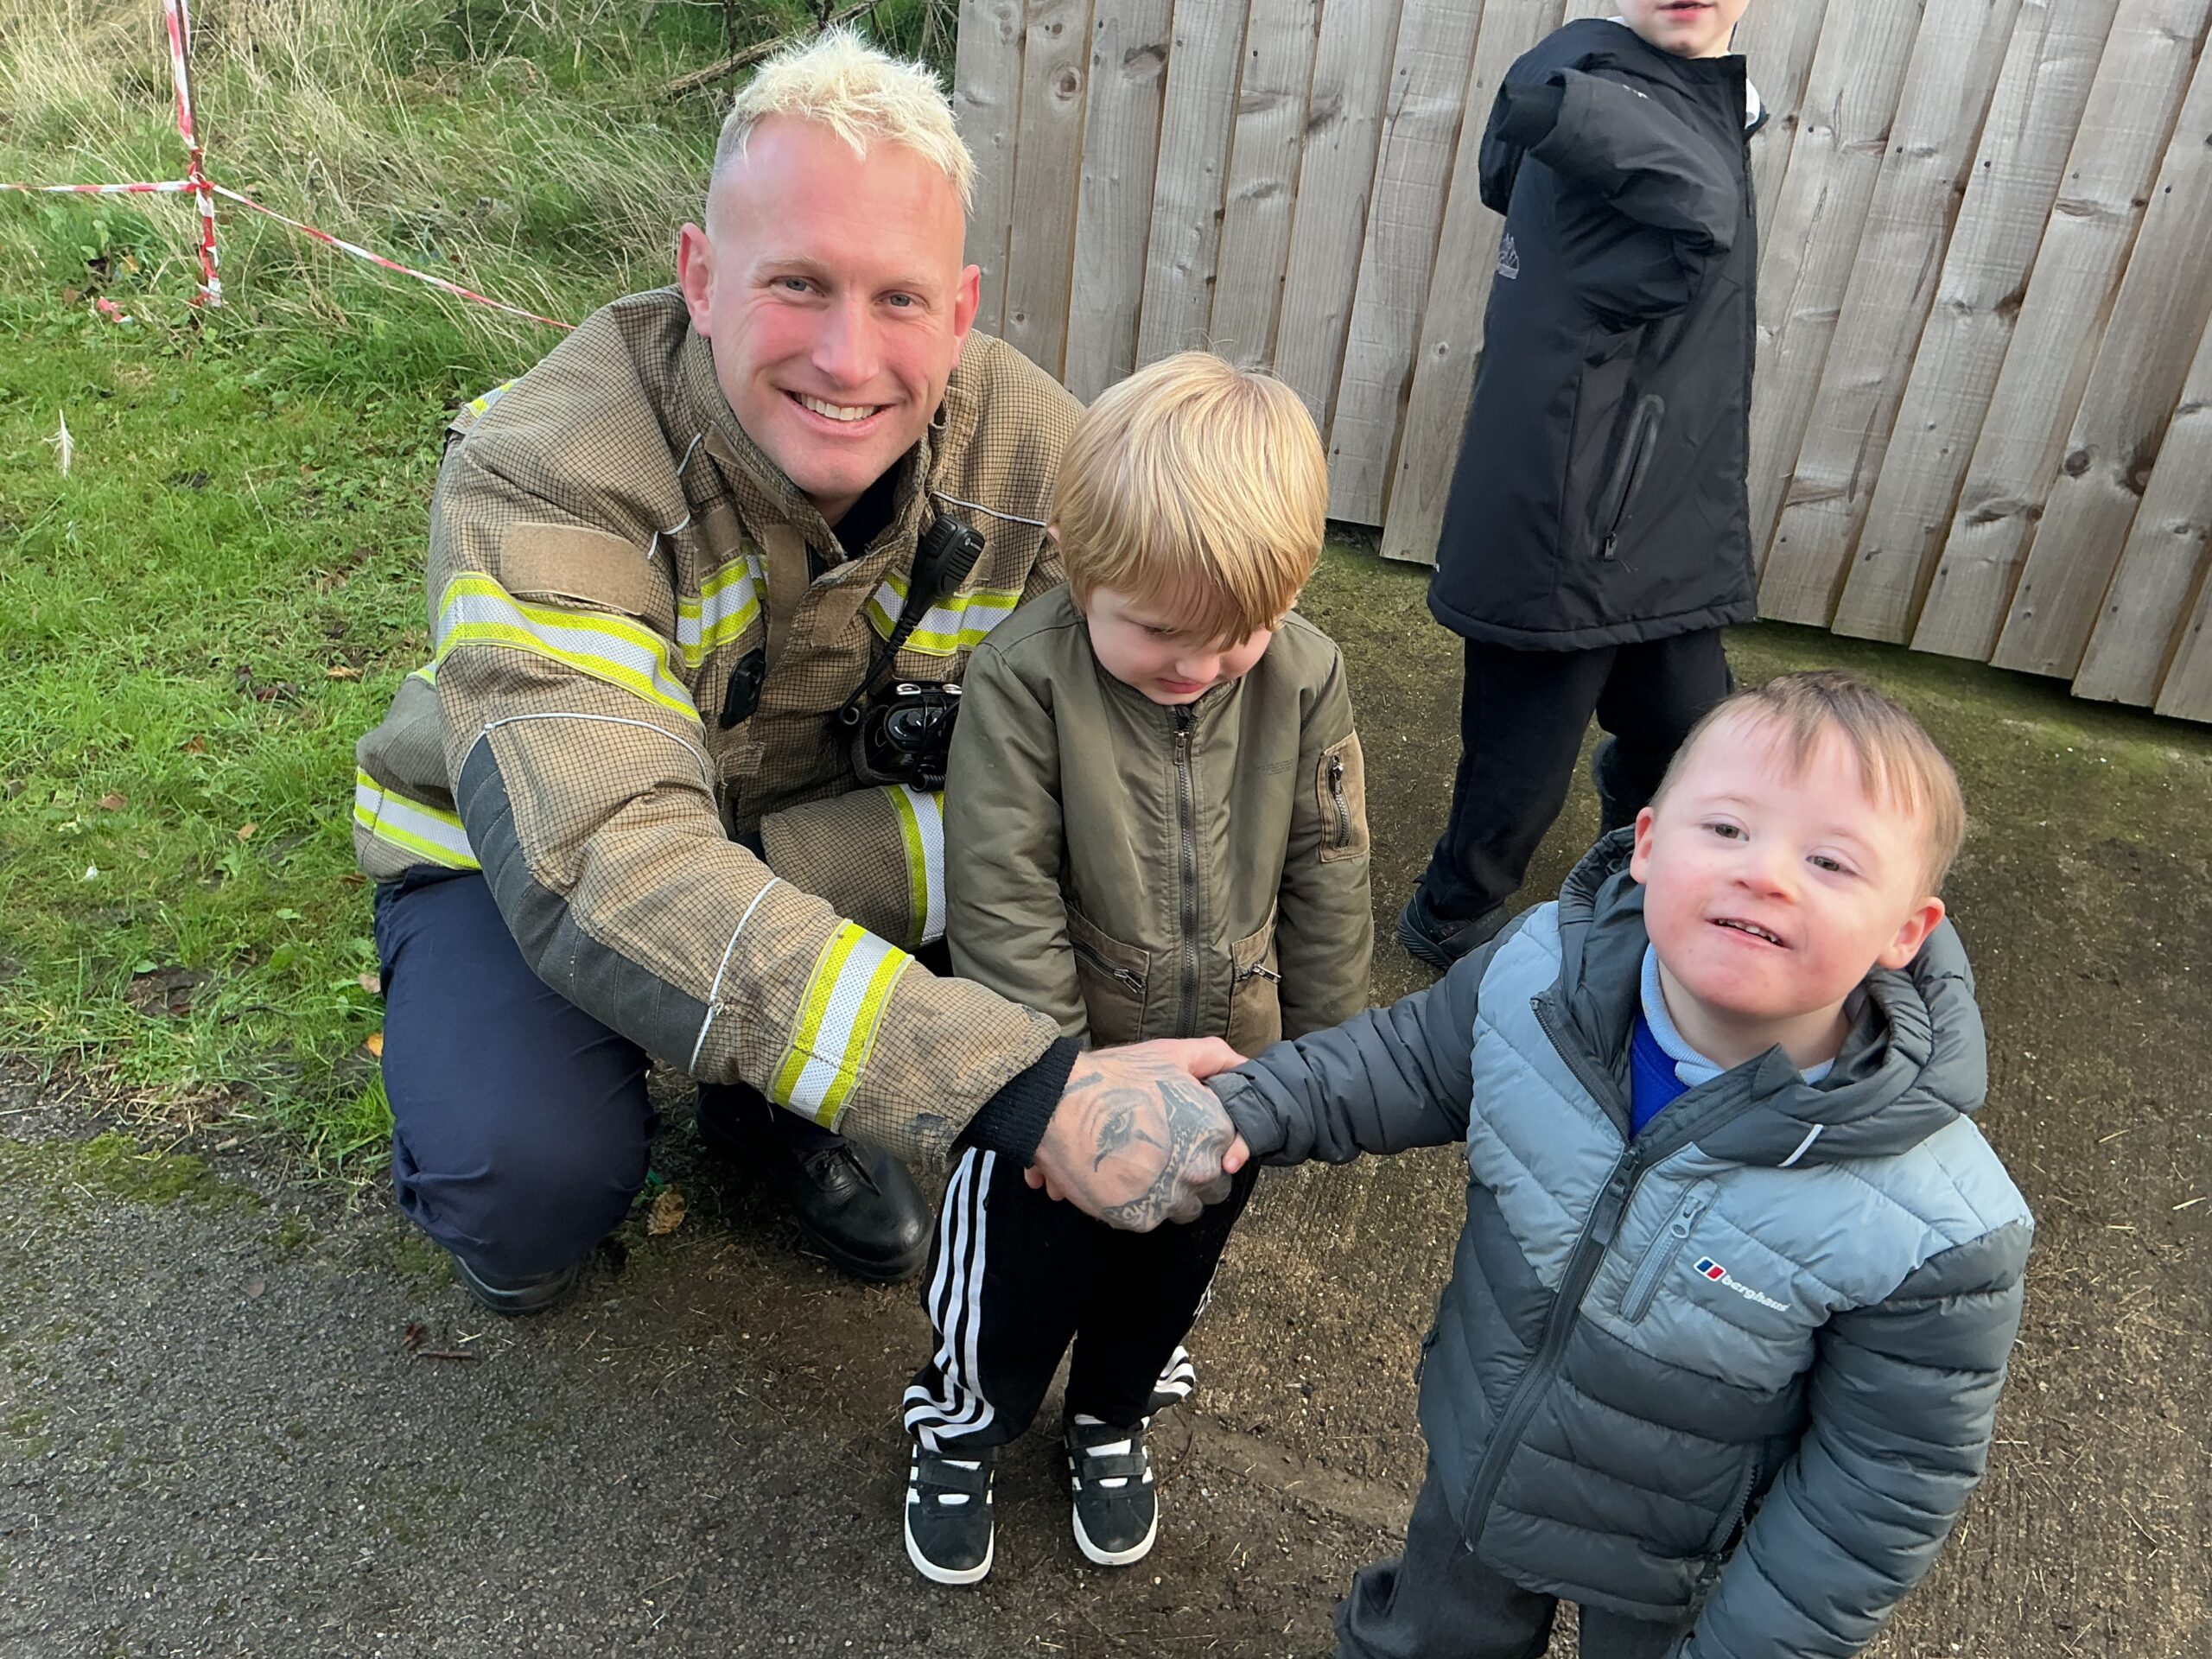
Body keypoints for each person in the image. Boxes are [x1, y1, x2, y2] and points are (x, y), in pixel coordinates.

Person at [352, 30, 1247, 1318]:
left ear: (962, 311)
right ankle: (518, 1109)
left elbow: (1174, 709)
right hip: (524, 857)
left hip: (809, 854)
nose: (846, 358)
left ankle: (770, 1100)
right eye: (798, 284)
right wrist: (1015, 1085)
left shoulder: (1046, 460)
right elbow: (608, 859)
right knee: (524, 1180)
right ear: (701, 278)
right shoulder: (546, 468)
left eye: (898, 300)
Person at [1218, 671, 2032, 1658]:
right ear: (1646, 845)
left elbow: (1881, 1481)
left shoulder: (1934, 1226)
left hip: (1681, 1555)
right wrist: (1237, 1109)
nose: (1765, 874)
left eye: (1828, 860)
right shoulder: (1536, 977)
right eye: (1726, 829)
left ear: (1905, 931)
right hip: (1486, 1454)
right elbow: (1403, 1061)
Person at [898, 353, 1374, 1585]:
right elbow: (1002, 892)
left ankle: (1111, 1413)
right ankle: (963, 1423)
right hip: (1059, 1078)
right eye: (1158, 630)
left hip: (1230, 1075)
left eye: (1236, 636)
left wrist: (1330, 1060)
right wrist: (1043, 1083)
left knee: (1169, 1269)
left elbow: (1329, 866)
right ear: (1073, 561)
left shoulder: (1307, 676)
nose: (1196, 669)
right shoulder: (1022, 678)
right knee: (1015, 1279)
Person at [1400, 0, 1769, 972]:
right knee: (1523, 755)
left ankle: (1630, 858)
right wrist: (1709, 124)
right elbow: (1700, 208)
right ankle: (1452, 911)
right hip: (1570, 511)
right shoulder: (1594, 91)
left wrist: (1728, 111)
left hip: (1657, 500)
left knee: (1689, 730)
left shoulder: (1667, 90)